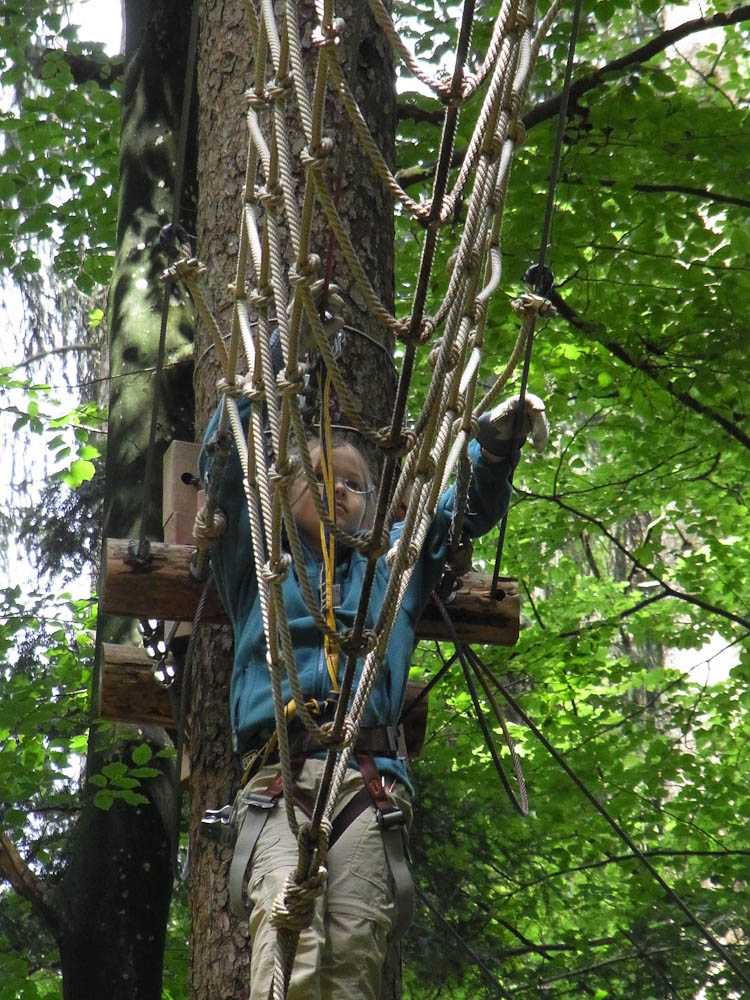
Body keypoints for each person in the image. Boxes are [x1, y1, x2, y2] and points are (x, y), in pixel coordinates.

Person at [199, 390, 549, 1000]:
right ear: (286, 492)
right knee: (286, 941)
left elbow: (455, 515)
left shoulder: (393, 570)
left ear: (371, 505)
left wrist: (492, 446)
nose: (339, 490)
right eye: (322, 479)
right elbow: (225, 470)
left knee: (355, 954)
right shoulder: (258, 564)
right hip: (281, 777)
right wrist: (265, 370)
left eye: (355, 484)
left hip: (367, 783)